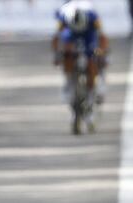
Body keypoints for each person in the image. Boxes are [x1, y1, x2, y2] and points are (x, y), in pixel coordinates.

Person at [51, 0, 109, 131]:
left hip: (89, 34)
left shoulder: (92, 15)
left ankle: (92, 88)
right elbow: (56, 37)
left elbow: (102, 36)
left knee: (93, 59)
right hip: (70, 33)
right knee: (67, 55)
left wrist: (102, 54)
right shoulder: (64, 14)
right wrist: (57, 55)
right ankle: (69, 81)